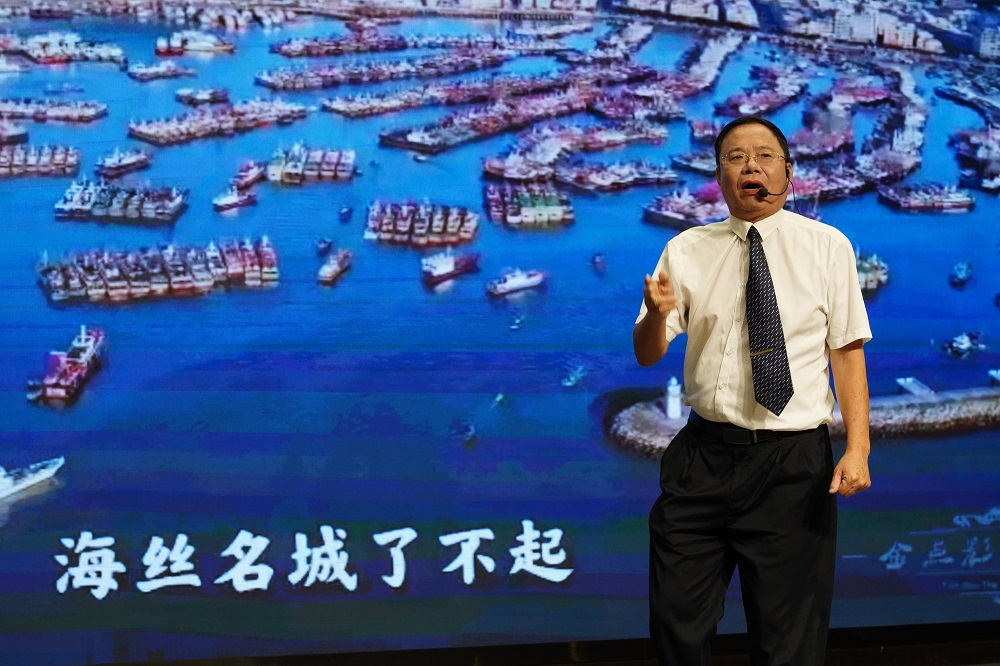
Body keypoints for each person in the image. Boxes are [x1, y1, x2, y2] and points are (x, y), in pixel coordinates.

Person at [632, 115, 873, 666]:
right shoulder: (686, 249)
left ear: (788, 171)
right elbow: (648, 352)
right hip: (702, 459)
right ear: (720, 176)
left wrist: (858, 448)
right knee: (676, 624)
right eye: (736, 157)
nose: (751, 166)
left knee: (788, 639)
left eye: (764, 156)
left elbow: (847, 351)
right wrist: (657, 315)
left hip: (793, 465)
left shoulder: (828, 246)